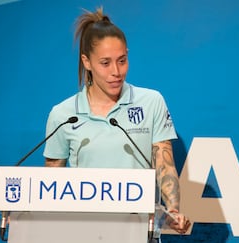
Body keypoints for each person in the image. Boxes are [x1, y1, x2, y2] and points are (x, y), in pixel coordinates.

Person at [43, 7, 190, 241]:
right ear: (87, 62)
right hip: (82, 233)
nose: (116, 72)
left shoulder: (151, 102)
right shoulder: (62, 115)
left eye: (122, 60)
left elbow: (164, 165)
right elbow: (50, 186)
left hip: (140, 232)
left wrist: (172, 209)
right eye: (105, 63)